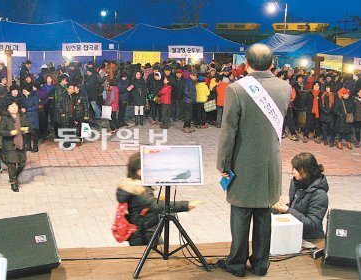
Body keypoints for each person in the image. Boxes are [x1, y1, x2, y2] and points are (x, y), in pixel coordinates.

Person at [216, 44, 291, 277]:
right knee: (264, 216)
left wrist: (223, 165)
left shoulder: (237, 89)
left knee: (240, 216)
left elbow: (229, 132)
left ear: (246, 63)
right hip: (270, 164)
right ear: (272, 64)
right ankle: (260, 265)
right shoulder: (285, 87)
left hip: (243, 163)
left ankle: (236, 265)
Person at [116, 152, 199, 246]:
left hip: (146, 231)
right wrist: (185, 205)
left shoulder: (137, 185)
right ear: (139, 171)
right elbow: (156, 205)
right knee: (150, 256)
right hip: (144, 235)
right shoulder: (137, 190)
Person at [272, 153, 328, 240]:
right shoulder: (297, 184)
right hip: (294, 234)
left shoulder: (320, 195)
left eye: (296, 169)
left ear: (306, 171)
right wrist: (277, 207)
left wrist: (287, 210)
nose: (292, 171)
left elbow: (312, 225)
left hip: (311, 239)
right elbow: (296, 208)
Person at [0, 101, 31, 192]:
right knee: (12, 164)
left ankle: (14, 177)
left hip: (21, 143)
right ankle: (13, 183)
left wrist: (27, 130)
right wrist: (9, 133)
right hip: (10, 145)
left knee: (22, 164)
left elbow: (28, 126)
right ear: (8, 108)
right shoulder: (5, 118)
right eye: (12, 106)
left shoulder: (22, 116)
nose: (14, 108)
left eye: (15, 106)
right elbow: (0, 131)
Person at [21, 84, 39, 152]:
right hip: (26, 117)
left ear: (29, 91)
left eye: (25, 91)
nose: (24, 92)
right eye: (23, 91)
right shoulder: (23, 97)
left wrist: (26, 109)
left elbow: (36, 106)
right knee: (27, 131)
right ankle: (28, 146)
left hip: (33, 116)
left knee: (34, 132)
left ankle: (35, 146)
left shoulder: (34, 96)